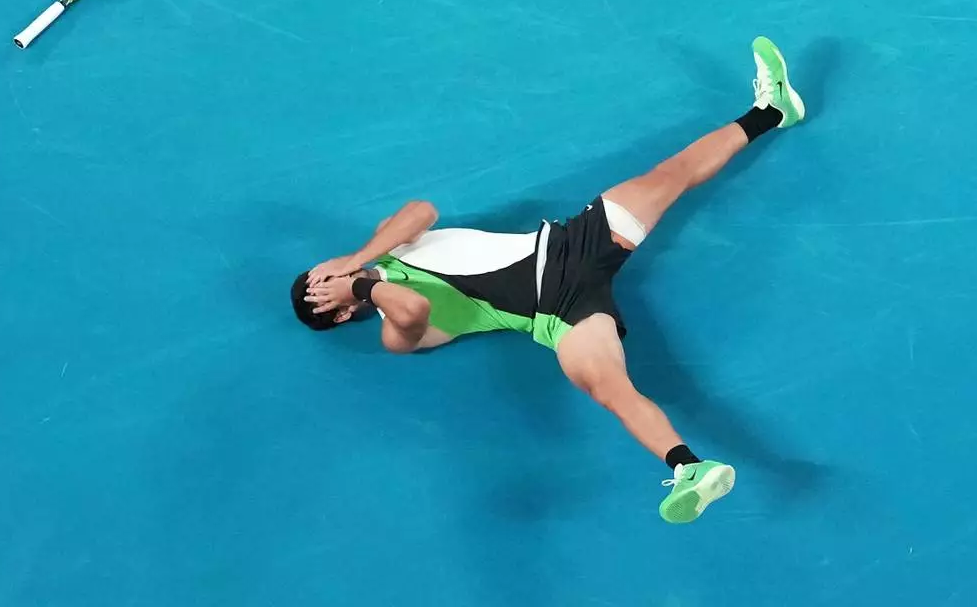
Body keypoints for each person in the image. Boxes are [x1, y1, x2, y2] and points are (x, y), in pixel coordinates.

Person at [290, 37, 805, 523]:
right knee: (609, 388)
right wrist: (359, 286)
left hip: (569, 245)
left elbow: (422, 210)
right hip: (557, 316)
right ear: (342, 310)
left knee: (673, 173)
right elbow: (413, 310)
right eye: (325, 285)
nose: (330, 271)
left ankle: (773, 110)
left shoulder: (386, 242)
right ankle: (690, 467)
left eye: (322, 270)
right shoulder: (392, 331)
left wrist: (359, 258)